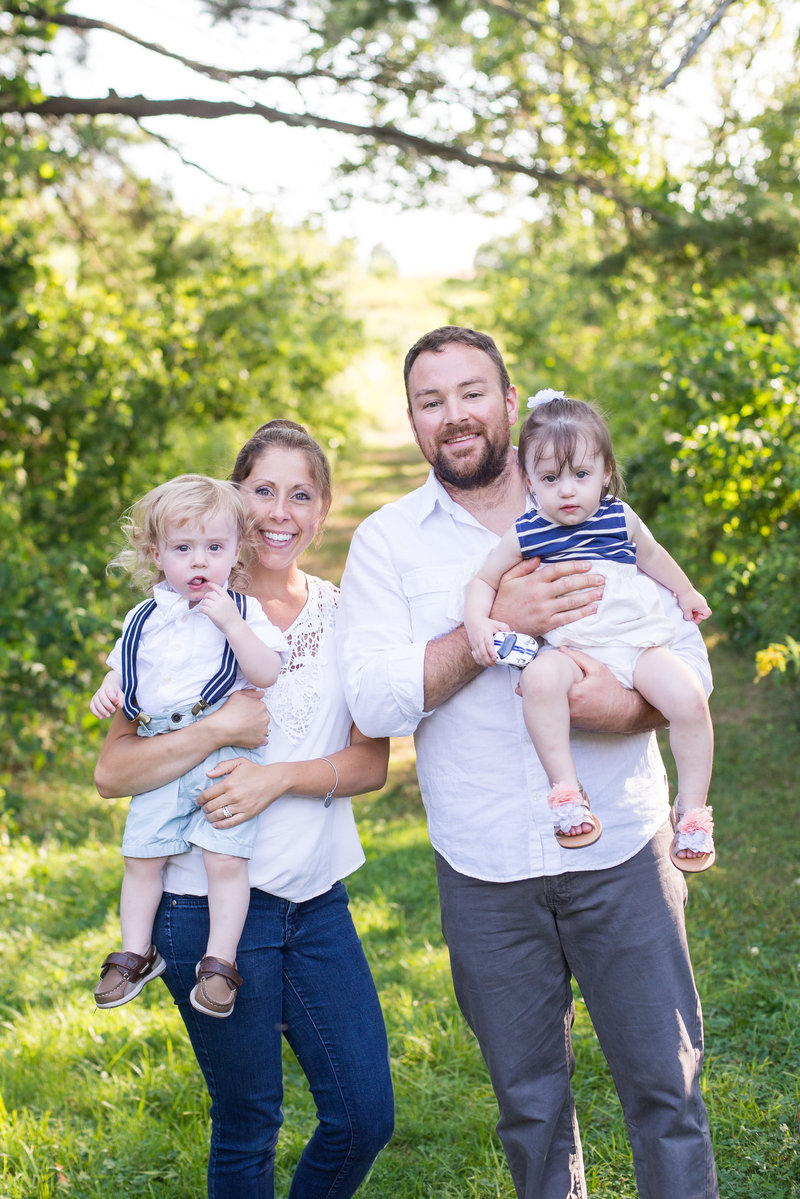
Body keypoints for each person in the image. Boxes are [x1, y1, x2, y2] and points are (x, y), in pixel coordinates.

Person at [338, 327, 718, 1199]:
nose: (455, 415)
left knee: (668, 1088)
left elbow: (684, 660)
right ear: (412, 420)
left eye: (472, 392)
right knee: (530, 1106)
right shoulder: (388, 542)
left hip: (622, 842)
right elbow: (372, 701)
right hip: (485, 864)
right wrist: (493, 623)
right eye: (431, 401)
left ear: (511, 403)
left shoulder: (589, 501)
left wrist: (620, 706)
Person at [94, 422, 394, 1198]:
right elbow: (113, 769)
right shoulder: (169, 619)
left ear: (323, 509)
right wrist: (218, 728)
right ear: (235, 499)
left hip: (317, 899)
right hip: (203, 906)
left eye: (300, 494)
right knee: (248, 1120)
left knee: (364, 1116)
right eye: (263, 490)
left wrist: (277, 777)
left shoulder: (343, 613)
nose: (279, 512)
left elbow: (370, 761)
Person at [463, 388, 715, 870]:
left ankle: (692, 812)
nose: (567, 490)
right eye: (550, 477)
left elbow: (654, 557)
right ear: (530, 481)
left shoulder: (620, 518)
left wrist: (686, 593)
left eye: (581, 475)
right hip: (572, 649)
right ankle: (565, 792)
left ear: (605, 472)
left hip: (635, 643)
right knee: (539, 679)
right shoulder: (528, 531)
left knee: (688, 698)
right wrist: (478, 620)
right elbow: (483, 579)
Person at [91, 474, 288, 1017]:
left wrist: (231, 623)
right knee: (140, 857)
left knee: (223, 857)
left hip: (226, 755)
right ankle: (136, 951)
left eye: (214, 548)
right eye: (184, 549)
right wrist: (112, 687)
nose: (199, 561)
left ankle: (219, 964)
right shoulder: (142, 618)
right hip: (161, 745)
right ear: (157, 555)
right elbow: (127, 668)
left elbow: (266, 671)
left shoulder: (243, 611)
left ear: (235, 550)